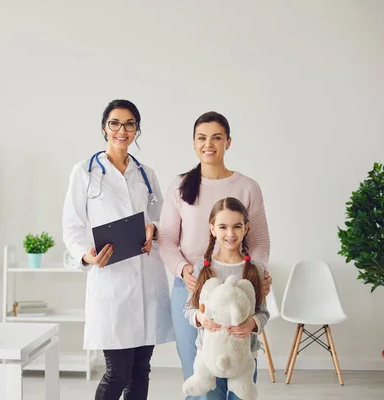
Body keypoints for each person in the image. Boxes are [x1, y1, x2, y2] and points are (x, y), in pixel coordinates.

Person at [62, 99, 174, 400]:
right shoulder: (84, 172)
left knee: (141, 371)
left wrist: (152, 227)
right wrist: (86, 256)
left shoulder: (147, 173)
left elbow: (160, 218)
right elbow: (71, 228)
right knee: (117, 374)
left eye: (129, 124)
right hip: (111, 280)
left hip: (146, 279)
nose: (121, 130)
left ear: (137, 130)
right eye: (115, 123)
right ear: (104, 127)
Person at [157, 111, 272, 399]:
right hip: (193, 288)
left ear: (228, 142)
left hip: (239, 287)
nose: (209, 144)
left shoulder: (247, 187)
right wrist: (185, 271)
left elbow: (259, 242)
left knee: (240, 369)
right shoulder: (181, 185)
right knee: (201, 374)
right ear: (194, 143)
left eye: (217, 138)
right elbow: (167, 240)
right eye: (202, 138)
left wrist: (255, 275)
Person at [184, 197, 269, 399]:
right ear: (212, 229)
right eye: (223, 227)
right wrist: (202, 319)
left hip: (244, 355)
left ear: (246, 228)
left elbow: (263, 312)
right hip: (209, 354)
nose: (230, 234)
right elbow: (189, 309)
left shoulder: (254, 269)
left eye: (237, 227)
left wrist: (251, 323)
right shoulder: (203, 268)